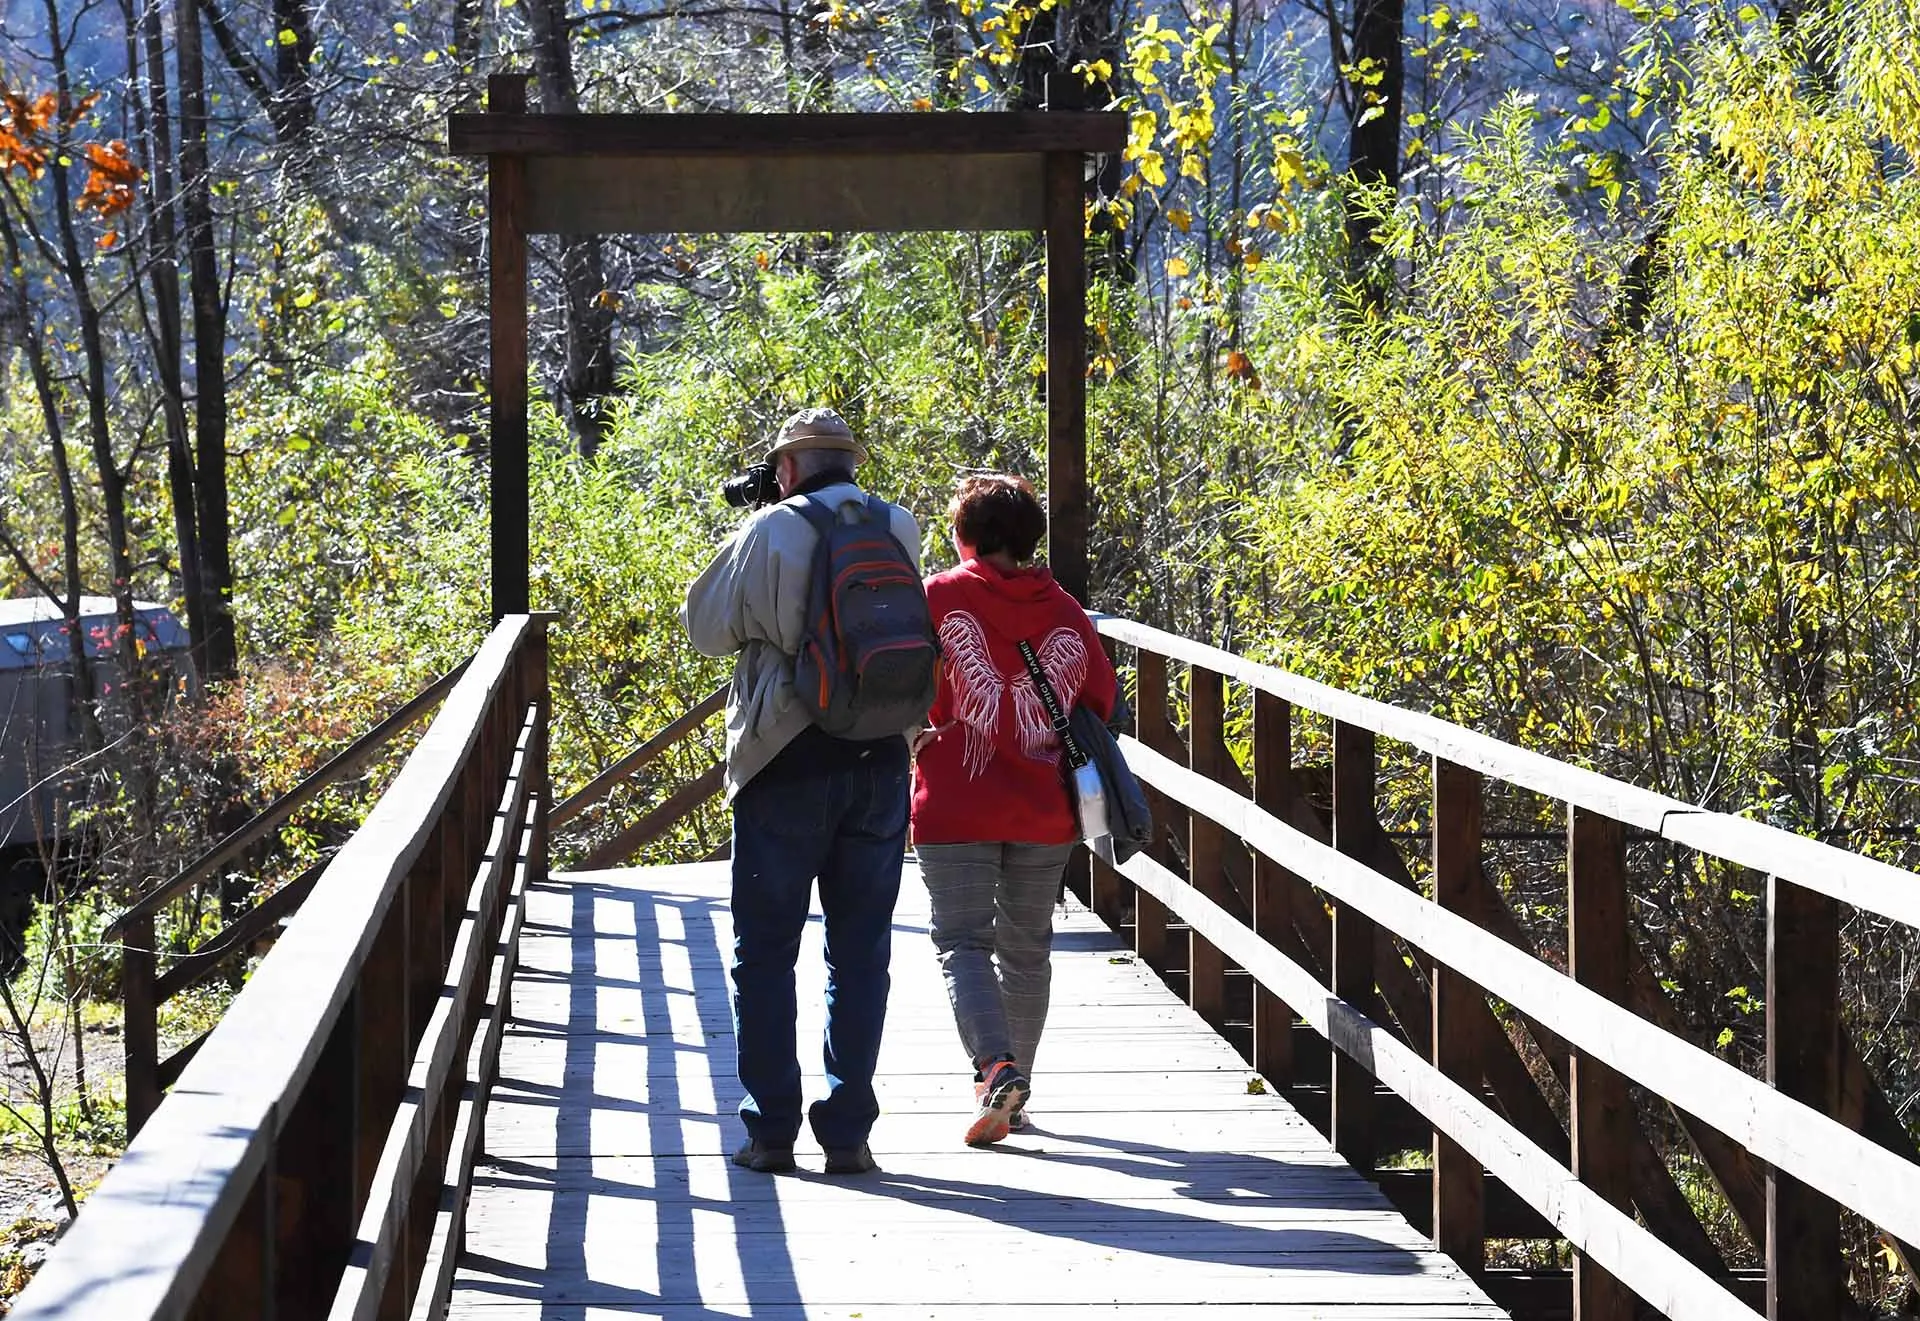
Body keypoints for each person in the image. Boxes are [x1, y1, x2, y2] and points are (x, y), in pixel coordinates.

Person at [682, 407, 922, 1176]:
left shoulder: (772, 529)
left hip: (785, 756)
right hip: (882, 755)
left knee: (765, 951)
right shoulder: (900, 525)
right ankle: (848, 1131)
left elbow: (705, 627)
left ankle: (772, 1129)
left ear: (786, 468)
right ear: (849, 462)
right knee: (860, 950)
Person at [910, 473, 1118, 1147]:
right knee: (1027, 951)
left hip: (956, 803)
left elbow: (900, 679)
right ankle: (1015, 1092)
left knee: (962, 941)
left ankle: (995, 1068)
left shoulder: (937, 597)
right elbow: (1102, 700)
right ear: (1028, 537)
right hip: (1042, 808)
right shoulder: (1063, 609)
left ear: (964, 535)